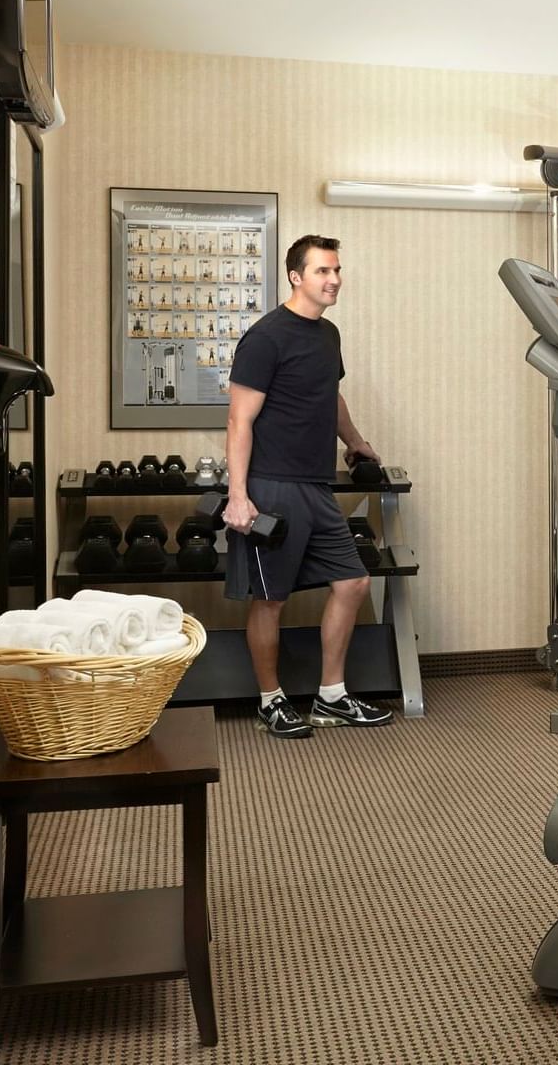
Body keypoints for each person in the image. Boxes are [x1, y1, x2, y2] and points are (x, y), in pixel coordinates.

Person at [223, 234, 394, 738]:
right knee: (271, 598)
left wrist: (357, 442)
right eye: (322, 271)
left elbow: (330, 396)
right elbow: (239, 420)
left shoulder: (327, 335)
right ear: (296, 276)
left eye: (337, 270)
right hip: (271, 486)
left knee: (353, 581)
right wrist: (239, 494)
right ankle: (271, 700)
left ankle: (331, 697)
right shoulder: (265, 337)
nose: (334, 279)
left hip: (316, 485)